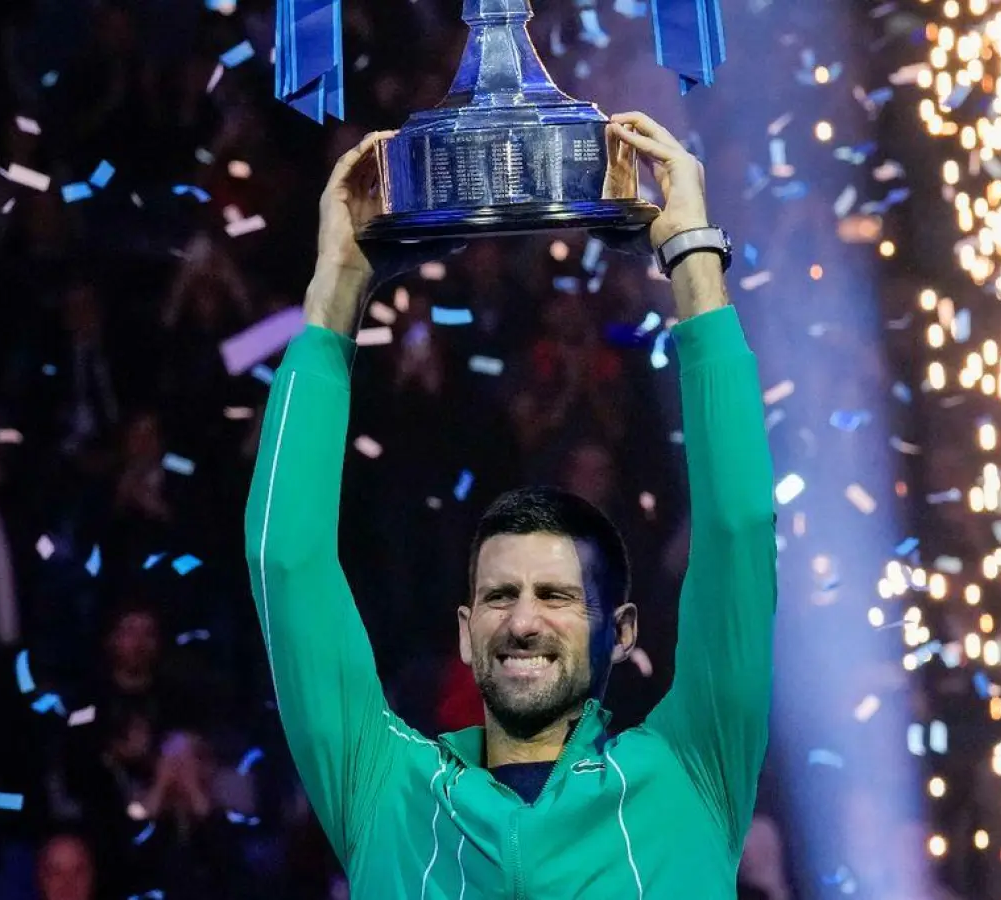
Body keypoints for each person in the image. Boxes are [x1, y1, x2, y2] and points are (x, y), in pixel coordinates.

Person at [244, 112, 777, 895]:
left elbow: (738, 531)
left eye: (557, 595)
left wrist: (692, 256)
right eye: (500, 596)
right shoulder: (385, 788)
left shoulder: (692, 769)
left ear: (620, 631)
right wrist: (334, 295)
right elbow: (283, 563)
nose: (522, 621)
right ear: (465, 632)